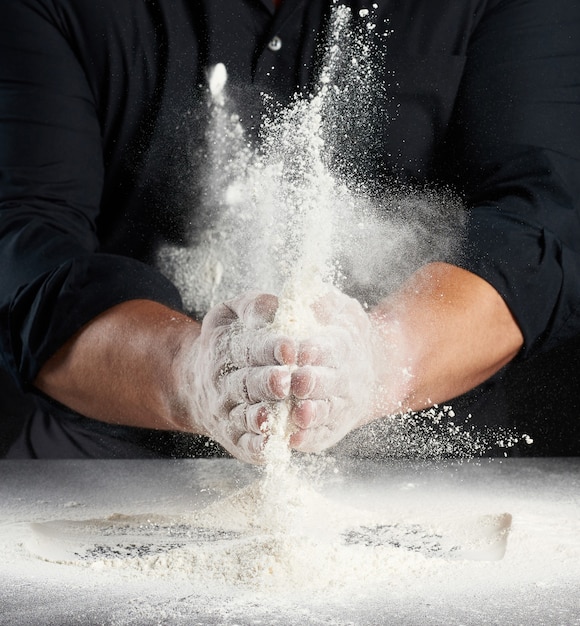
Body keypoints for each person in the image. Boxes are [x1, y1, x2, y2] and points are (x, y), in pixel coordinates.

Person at [0, 0, 578, 460]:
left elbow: (541, 222)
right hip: (98, 478)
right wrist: (192, 375)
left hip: (421, 496)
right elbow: (21, 243)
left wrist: (377, 360)